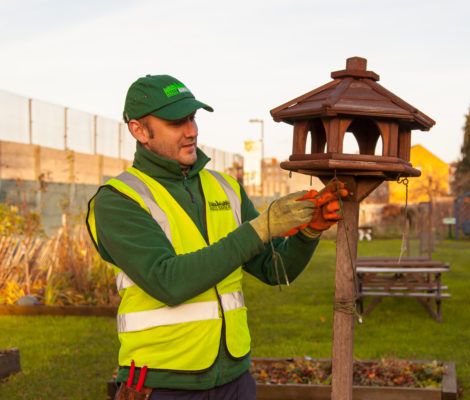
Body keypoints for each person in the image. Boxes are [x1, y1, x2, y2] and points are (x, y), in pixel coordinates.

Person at [86, 74, 340, 400]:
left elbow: (275, 269)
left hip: (235, 380)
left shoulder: (225, 188)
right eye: (176, 121)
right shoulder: (119, 200)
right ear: (139, 131)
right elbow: (168, 282)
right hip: (162, 386)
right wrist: (260, 229)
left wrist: (309, 232)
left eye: (192, 118)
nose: (192, 130)